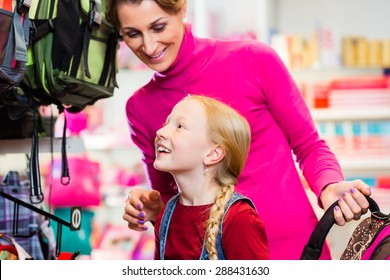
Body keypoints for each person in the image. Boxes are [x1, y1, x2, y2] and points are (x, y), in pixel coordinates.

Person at [106, 0, 372, 259]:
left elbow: (309, 145)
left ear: (182, 8)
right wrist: (153, 209)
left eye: (159, 27)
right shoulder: (139, 108)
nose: (150, 46)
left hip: (292, 251)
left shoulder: (254, 59)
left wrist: (328, 186)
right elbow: (169, 196)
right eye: (132, 34)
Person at [152, 94, 269, 260]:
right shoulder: (166, 216)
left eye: (179, 126)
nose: (160, 131)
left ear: (213, 153)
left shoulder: (239, 219)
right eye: (166, 123)